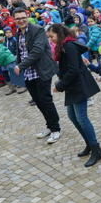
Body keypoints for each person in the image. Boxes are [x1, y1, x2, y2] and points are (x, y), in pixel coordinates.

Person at [47, 24, 101, 167]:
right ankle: (89, 144)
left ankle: (96, 149)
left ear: (59, 34)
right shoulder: (63, 46)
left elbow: (73, 70)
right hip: (73, 86)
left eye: (52, 36)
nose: (51, 40)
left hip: (79, 86)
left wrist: (59, 85)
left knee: (82, 118)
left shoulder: (69, 46)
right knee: (73, 117)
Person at [13, 8, 62, 144]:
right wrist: (18, 64)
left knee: (45, 100)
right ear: (14, 20)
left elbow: (37, 51)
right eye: (18, 18)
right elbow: (20, 52)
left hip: (41, 70)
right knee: (38, 101)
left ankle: (56, 129)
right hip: (28, 72)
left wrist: (20, 66)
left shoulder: (37, 30)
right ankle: (49, 126)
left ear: (27, 16)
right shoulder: (18, 33)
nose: (21, 20)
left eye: (23, 17)